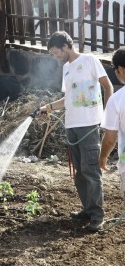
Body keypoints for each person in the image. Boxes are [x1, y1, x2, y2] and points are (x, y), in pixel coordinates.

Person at [39, 31, 113, 231]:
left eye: (56, 52)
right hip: (71, 126)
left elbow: (108, 87)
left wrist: (107, 117)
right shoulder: (66, 68)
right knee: (79, 172)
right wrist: (48, 107)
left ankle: (98, 216)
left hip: (89, 125)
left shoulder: (90, 60)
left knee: (91, 170)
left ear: (65, 46)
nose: (55, 56)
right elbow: (68, 99)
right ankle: (87, 210)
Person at [99, 47, 125, 202]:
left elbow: (110, 139)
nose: (115, 72)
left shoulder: (117, 99)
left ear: (121, 69)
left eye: (115, 69)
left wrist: (102, 157)